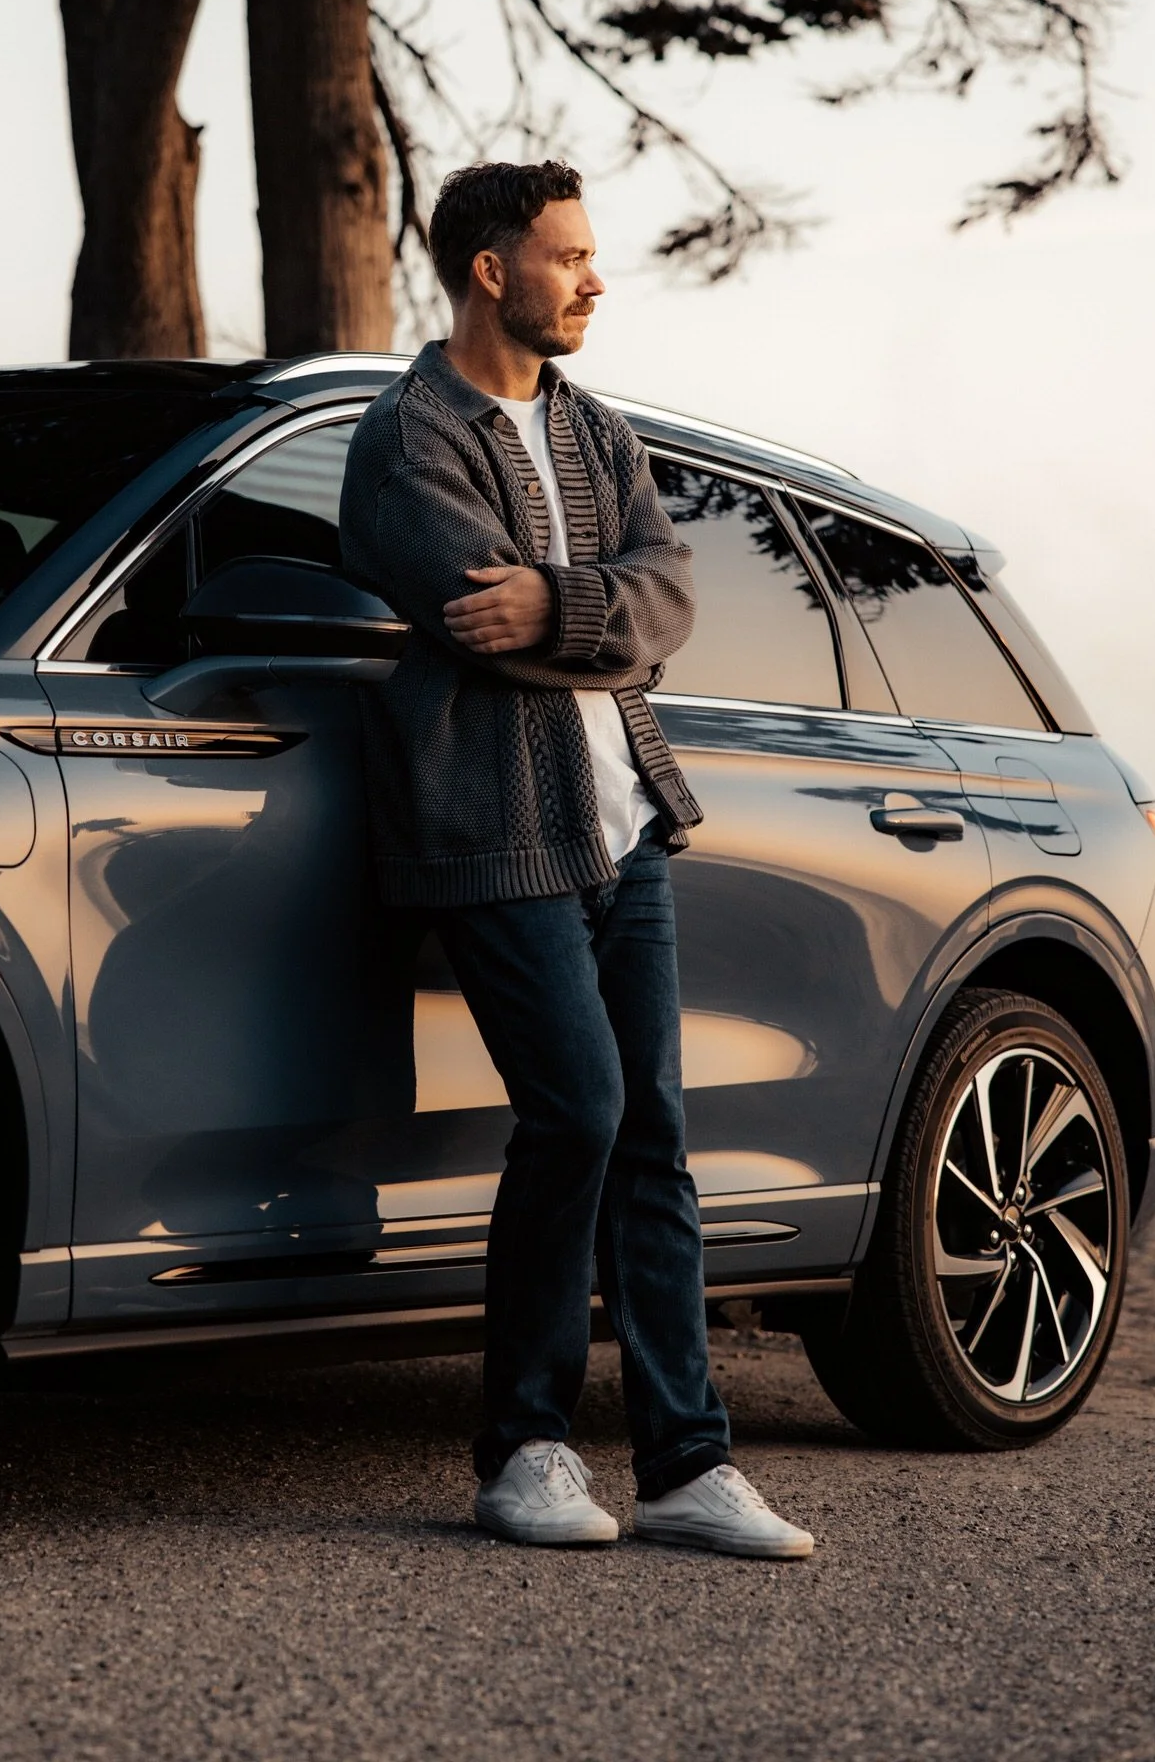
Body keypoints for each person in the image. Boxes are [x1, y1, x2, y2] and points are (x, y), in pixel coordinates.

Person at [339, 160, 813, 1557]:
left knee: (655, 1136)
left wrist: (564, 602)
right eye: (571, 256)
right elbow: (468, 612)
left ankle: (685, 1468)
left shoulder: (599, 431)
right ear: (492, 270)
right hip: (489, 824)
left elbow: (668, 603)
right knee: (583, 1115)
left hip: (624, 821)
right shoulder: (406, 435)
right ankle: (527, 1450)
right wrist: (580, 613)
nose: (597, 279)